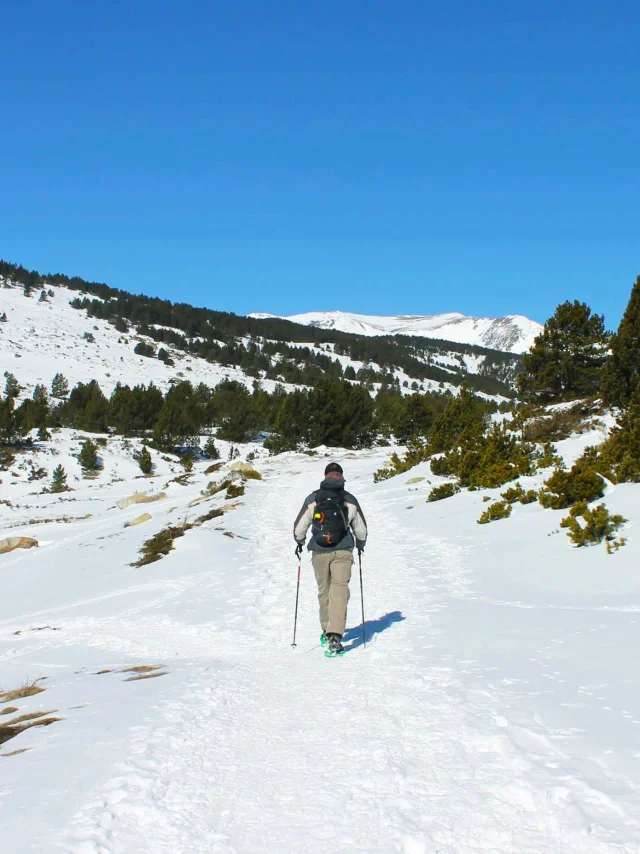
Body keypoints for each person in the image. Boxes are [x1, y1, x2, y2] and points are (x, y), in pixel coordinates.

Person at [293, 462, 368, 656]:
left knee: (324, 591)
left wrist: (300, 541)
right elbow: (360, 528)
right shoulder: (349, 499)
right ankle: (335, 635)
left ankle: (326, 630)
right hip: (343, 550)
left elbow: (299, 527)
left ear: (325, 475)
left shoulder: (314, 498)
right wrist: (360, 544)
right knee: (340, 591)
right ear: (341, 476)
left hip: (319, 552)